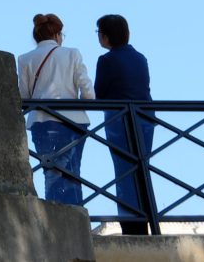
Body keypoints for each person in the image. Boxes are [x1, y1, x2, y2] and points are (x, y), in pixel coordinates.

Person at [17, 13, 94, 205]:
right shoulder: (72, 54)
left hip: (42, 123)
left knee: (50, 172)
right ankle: (76, 214)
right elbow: (88, 94)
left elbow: (23, 96)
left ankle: (55, 214)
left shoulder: (25, 59)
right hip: (73, 122)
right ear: (58, 34)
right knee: (73, 171)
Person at [95, 13, 154, 235]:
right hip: (145, 117)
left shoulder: (107, 60)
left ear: (106, 36)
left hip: (120, 120)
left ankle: (131, 225)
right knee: (142, 169)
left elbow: (99, 94)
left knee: (124, 172)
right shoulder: (140, 58)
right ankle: (149, 219)